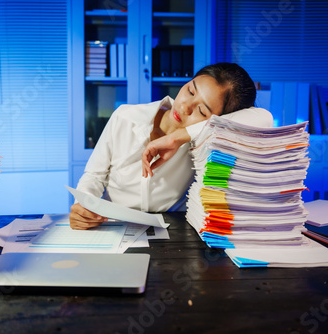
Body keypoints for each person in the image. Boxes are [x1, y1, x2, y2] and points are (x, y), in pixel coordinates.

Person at [70, 62, 273, 230]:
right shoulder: (126, 116)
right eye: (190, 90)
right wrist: (85, 205)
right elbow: (94, 176)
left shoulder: (206, 141)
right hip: (113, 226)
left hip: (172, 233)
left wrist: (180, 136)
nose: (185, 106)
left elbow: (263, 118)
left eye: (201, 112)